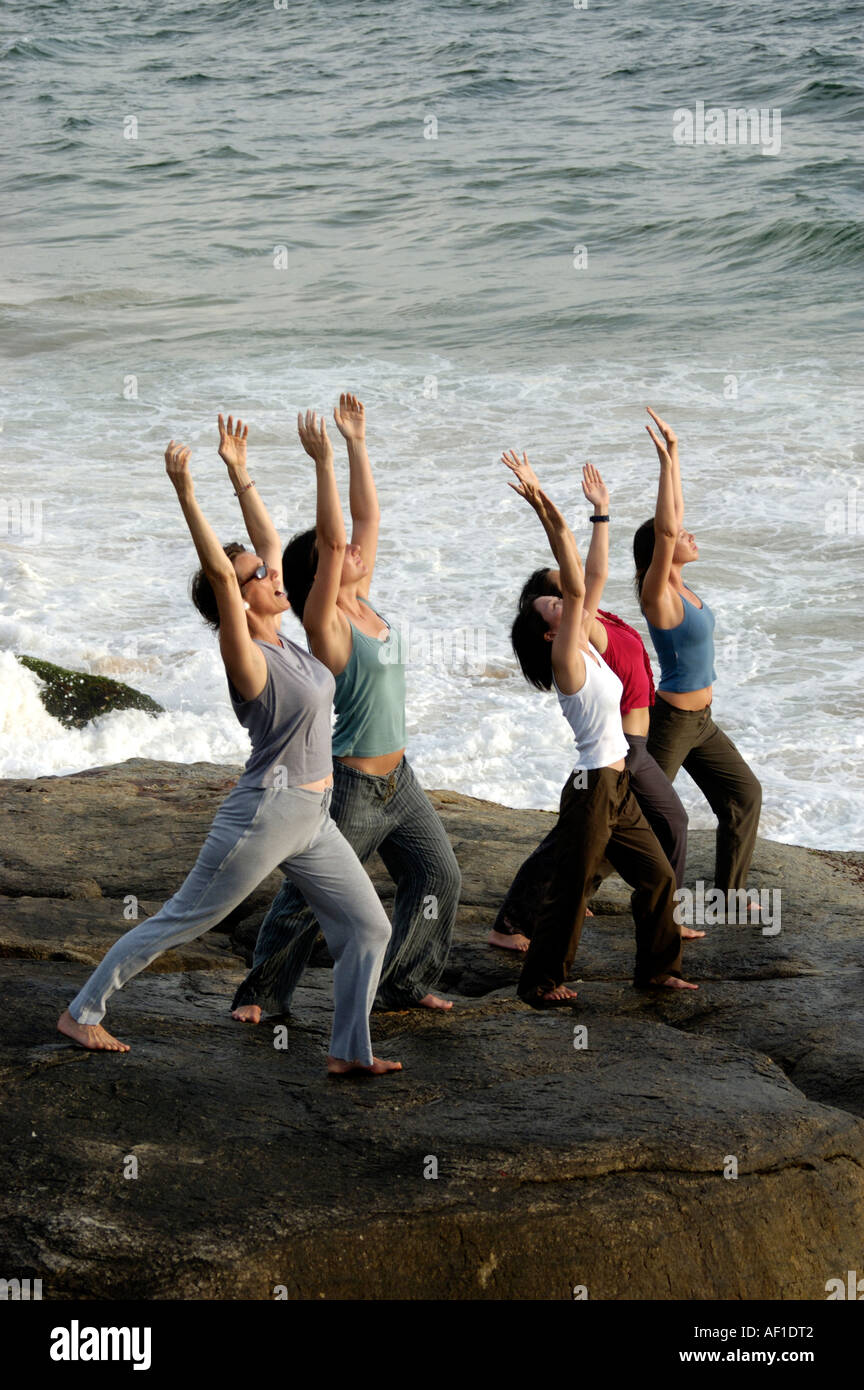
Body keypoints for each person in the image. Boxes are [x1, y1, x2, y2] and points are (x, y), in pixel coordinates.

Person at [57, 413, 401, 1077]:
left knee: (368, 927)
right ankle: (83, 1012)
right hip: (263, 819)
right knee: (183, 920)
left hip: (314, 820)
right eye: (258, 578)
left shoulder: (287, 640)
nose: (274, 577)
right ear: (237, 602)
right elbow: (221, 575)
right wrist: (187, 493)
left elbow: (261, 547)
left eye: (269, 572)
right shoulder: (248, 657)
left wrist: (239, 472)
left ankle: (348, 1053)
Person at [231, 395, 460, 1024]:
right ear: (325, 570)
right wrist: (323, 462)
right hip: (355, 785)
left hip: (401, 781)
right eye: (342, 552)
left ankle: (403, 982)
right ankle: (261, 993)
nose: (358, 547)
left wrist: (357, 443)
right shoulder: (326, 625)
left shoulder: (367, 606)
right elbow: (335, 540)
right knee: (306, 897)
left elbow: (366, 518)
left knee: (440, 880)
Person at [500, 447, 697, 1006]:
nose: (562, 602)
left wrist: (601, 512)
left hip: (617, 786)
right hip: (592, 788)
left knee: (657, 878)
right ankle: (540, 982)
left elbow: (594, 573)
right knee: (568, 891)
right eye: (550, 605)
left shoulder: (587, 644)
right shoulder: (567, 661)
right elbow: (579, 574)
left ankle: (658, 970)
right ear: (546, 634)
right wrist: (542, 503)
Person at [635, 408, 762, 909]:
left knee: (744, 795)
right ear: (660, 551)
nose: (690, 536)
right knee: (635, 811)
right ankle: (576, 887)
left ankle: (729, 893)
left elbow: (672, 527)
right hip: (671, 723)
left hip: (702, 722)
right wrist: (666, 463)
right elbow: (667, 531)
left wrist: (677, 452)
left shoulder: (683, 590)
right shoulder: (657, 596)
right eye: (680, 536)